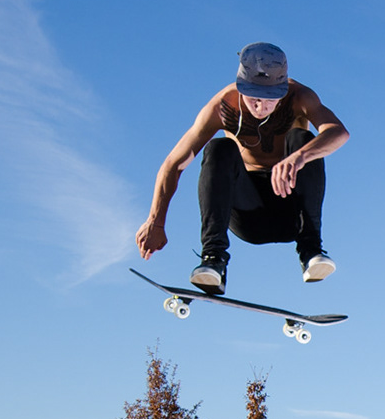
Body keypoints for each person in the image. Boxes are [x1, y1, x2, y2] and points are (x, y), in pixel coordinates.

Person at [134, 43, 350, 294]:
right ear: (240, 85)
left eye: (270, 99)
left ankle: (311, 251)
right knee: (219, 148)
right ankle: (213, 260)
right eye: (254, 97)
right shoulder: (222, 106)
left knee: (303, 140)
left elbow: (338, 132)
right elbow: (174, 164)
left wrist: (299, 157)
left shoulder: (299, 97)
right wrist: (156, 221)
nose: (261, 107)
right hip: (247, 216)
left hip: (293, 212)